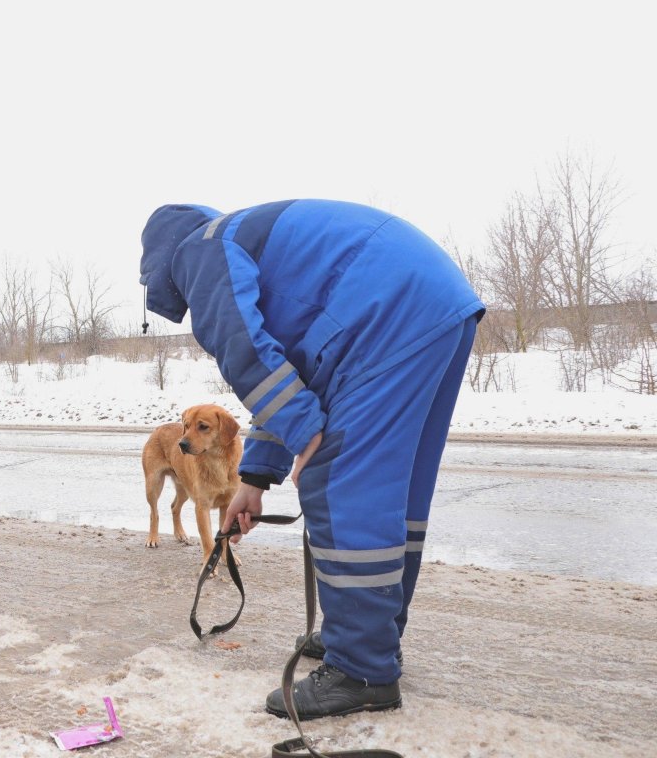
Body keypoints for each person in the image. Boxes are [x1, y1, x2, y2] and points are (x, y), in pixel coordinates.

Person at [140, 200, 483, 720]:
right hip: (433, 307)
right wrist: (253, 478)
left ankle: (362, 668)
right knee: (393, 494)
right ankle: (371, 636)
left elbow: (246, 354)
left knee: (342, 482)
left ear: (164, 265)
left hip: (385, 314)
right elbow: (291, 368)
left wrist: (306, 436)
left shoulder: (200, 250)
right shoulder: (253, 246)